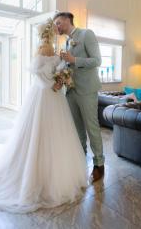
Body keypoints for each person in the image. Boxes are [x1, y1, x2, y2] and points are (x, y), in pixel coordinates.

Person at [0, 18, 88, 215]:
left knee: (53, 136)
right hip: (46, 96)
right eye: (55, 29)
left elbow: (51, 71)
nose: (57, 30)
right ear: (50, 32)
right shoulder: (46, 48)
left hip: (51, 95)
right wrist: (57, 79)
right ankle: (38, 178)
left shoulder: (51, 47)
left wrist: (61, 76)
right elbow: (41, 75)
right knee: (42, 134)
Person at [53, 12, 105, 182]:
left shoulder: (86, 34)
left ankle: (99, 165)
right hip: (71, 91)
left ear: (68, 21)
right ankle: (80, 160)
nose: (57, 27)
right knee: (77, 130)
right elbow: (69, 66)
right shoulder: (67, 42)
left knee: (92, 127)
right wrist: (61, 77)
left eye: (59, 23)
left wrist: (74, 59)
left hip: (87, 90)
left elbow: (97, 61)